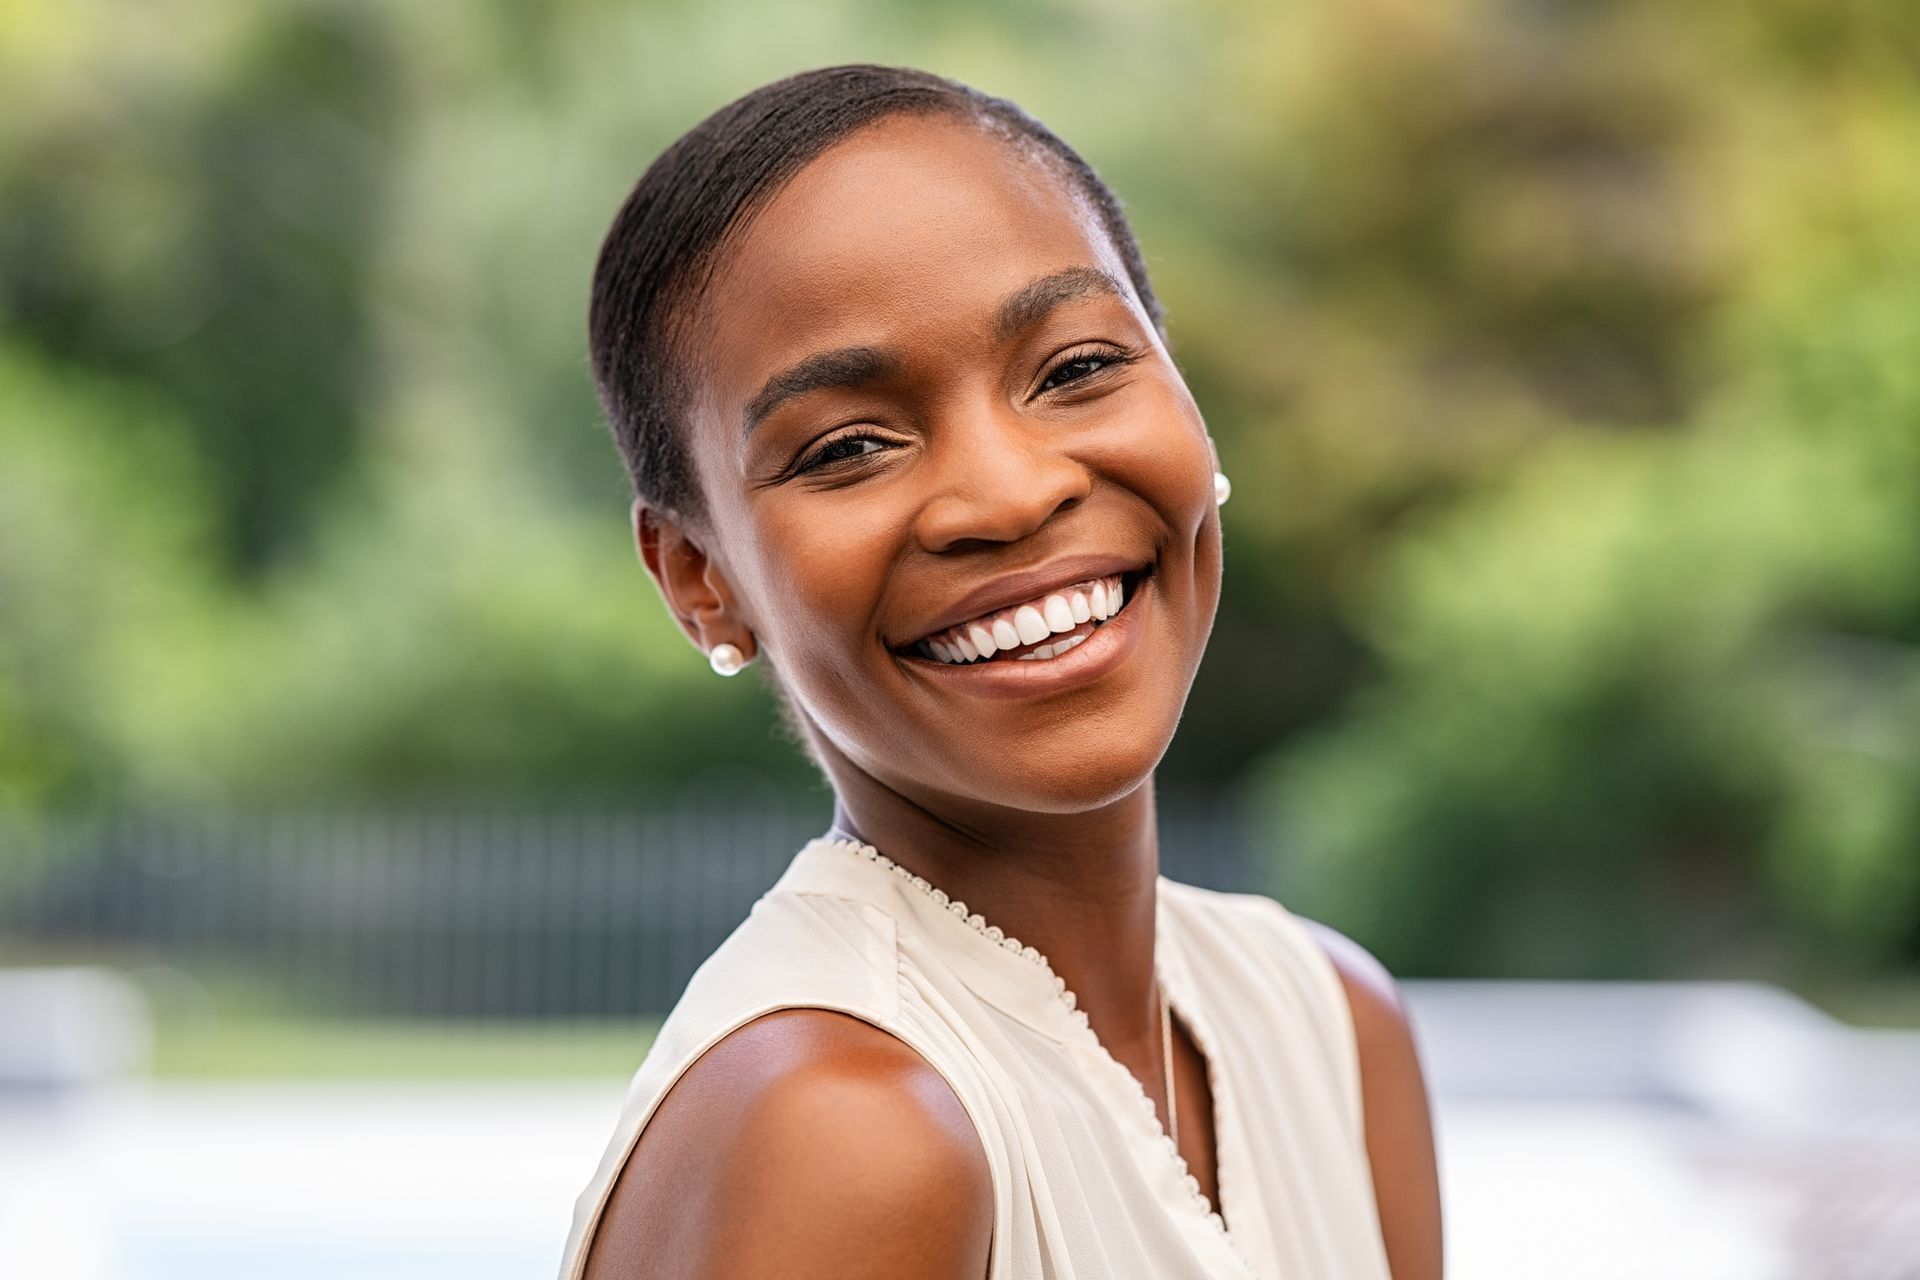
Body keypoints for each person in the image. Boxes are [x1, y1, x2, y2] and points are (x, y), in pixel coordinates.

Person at [559, 64, 1442, 1280]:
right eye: (850, 446)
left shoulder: (1330, 1022)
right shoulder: (843, 1127)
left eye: (1077, 368)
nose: (1013, 492)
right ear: (701, 576)